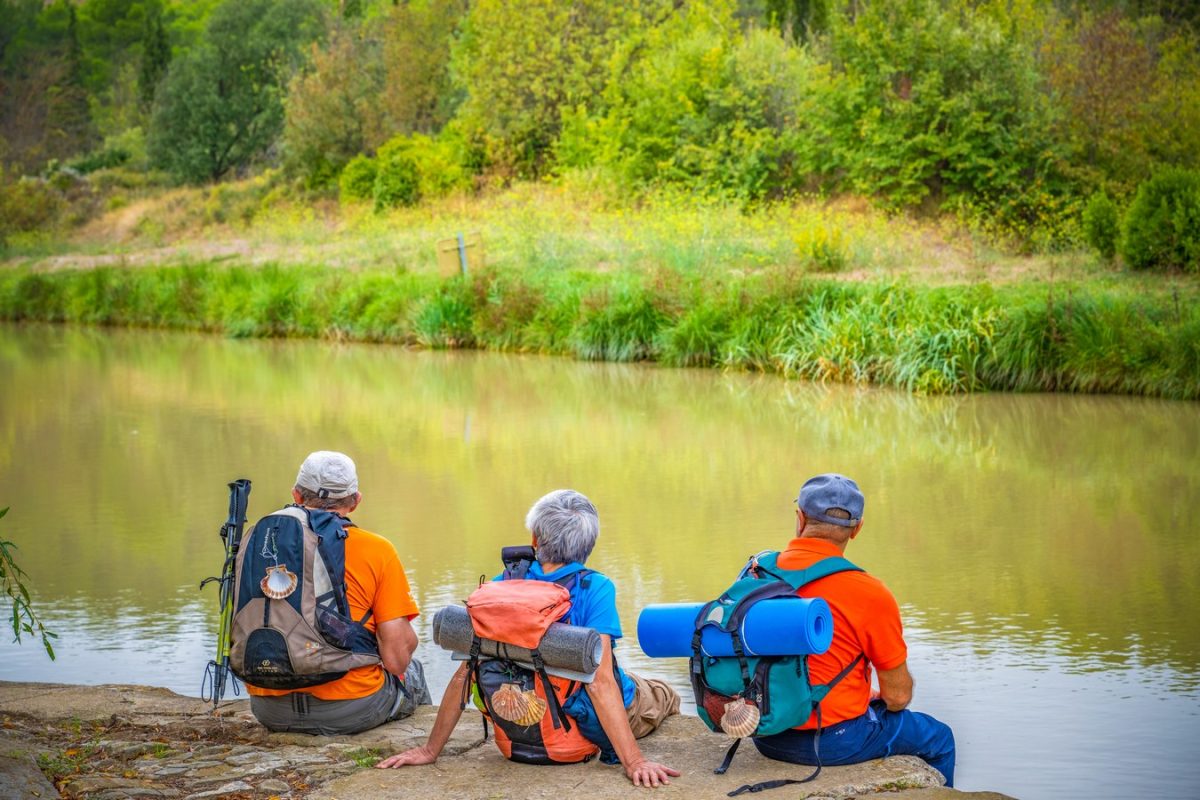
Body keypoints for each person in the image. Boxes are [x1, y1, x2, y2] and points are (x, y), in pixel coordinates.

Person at [378, 489, 681, 787]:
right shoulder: (596, 587)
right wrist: (635, 762)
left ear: (535, 539)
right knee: (662, 692)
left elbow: (465, 672)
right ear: (588, 545)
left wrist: (431, 750)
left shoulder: (503, 584)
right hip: (577, 724)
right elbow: (600, 681)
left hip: (523, 726)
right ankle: (664, 697)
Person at [750, 473, 956, 786]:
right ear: (856, 529)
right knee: (940, 738)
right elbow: (898, 696)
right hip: (836, 742)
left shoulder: (755, 574)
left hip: (766, 735)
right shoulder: (869, 593)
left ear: (800, 518)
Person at [244, 450, 431, 735]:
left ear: (296, 495)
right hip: (352, 708)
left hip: (269, 707)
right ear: (355, 501)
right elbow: (396, 660)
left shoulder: (258, 540)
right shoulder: (377, 550)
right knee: (413, 671)